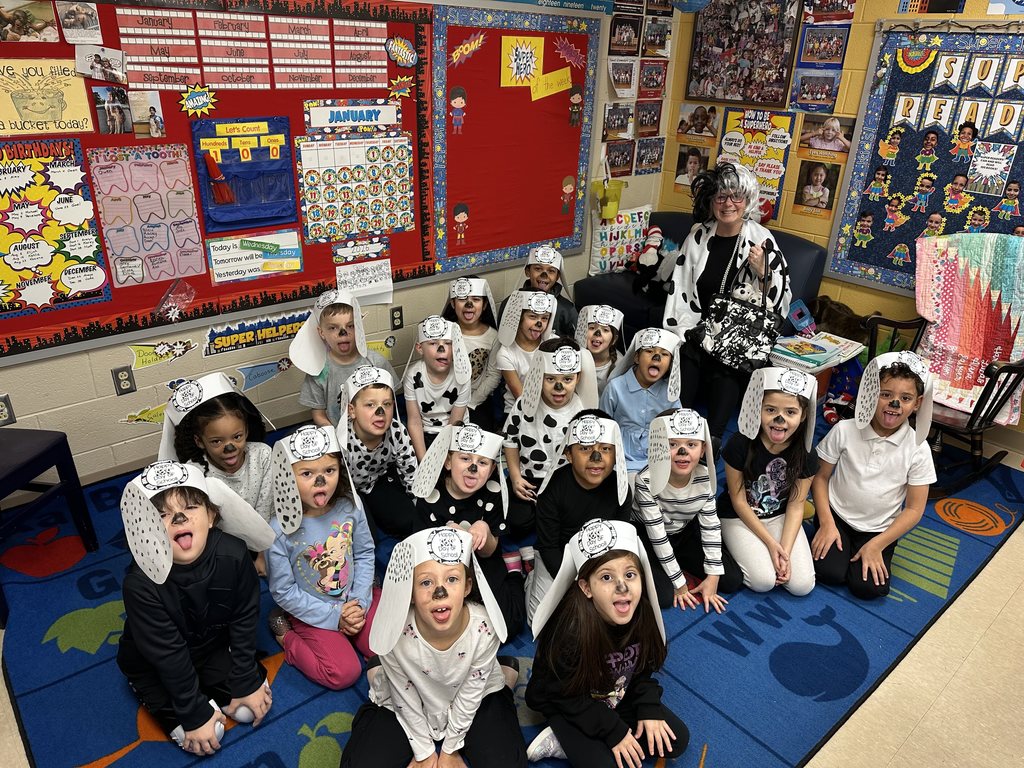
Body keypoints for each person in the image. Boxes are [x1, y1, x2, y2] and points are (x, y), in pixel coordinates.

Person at [116, 461, 275, 755]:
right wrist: (192, 713)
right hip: (154, 664)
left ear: (212, 516)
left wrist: (244, 679)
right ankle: (153, 689)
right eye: (162, 515)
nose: (179, 519)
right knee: (208, 734)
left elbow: (243, 617)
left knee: (246, 711)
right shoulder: (140, 584)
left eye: (190, 508)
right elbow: (169, 655)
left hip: (210, 646)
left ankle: (216, 684)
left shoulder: (234, 553)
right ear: (145, 531)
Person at [342, 527, 526, 768]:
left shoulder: (483, 630)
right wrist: (424, 751)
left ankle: (500, 675)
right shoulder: (396, 633)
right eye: (426, 582)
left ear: (467, 586)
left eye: (452, 579)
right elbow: (404, 696)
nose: (440, 592)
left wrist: (450, 748)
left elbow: (471, 694)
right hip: (409, 694)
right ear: (410, 592)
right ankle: (381, 670)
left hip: (471, 693)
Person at [525, 519, 689, 765]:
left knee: (676, 740)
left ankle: (582, 739)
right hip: (568, 703)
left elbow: (641, 671)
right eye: (606, 577)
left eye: (630, 575)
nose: (622, 587)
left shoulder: (641, 614)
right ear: (586, 587)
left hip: (613, 694)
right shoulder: (570, 633)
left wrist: (648, 707)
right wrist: (613, 731)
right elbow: (562, 695)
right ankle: (561, 736)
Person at [662, 163, 791, 442]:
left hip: (738, 334)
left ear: (747, 200)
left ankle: (714, 439)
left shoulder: (761, 239)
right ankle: (676, 431)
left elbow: (780, 299)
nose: (728, 204)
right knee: (689, 352)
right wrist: (688, 332)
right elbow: (680, 286)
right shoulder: (698, 235)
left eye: (736, 196)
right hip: (697, 327)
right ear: (711, 201)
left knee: (728, 365)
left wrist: (763, 273)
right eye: (720, 196)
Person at [811, 352, 936, 599]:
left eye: (905, 398)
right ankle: (835, 546)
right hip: (836, 516)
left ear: (918, 403)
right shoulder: (844, 430)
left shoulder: (918, 449)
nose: (894, 404)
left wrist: (878, 544)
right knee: (829, 573)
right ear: (871, 393)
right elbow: (820, 477)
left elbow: (913, 510)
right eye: (886, 394)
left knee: (869, 588)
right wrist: (826, 523)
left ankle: (864, 551)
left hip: (880, 529)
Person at [265, 426, 377, 690]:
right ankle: (285, 634)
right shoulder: (278, 531)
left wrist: (359, 602)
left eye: (329, 471)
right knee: (344, 673)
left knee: (384, 645)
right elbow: (283, 591)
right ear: (287, 479)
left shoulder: (350, 506)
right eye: (307, 474)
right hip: (310, 610)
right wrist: (335, 615)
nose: (321, 481)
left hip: (354, 597)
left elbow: (364, 553)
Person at [412, 424, 526, 637]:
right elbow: (420, 555)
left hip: (482, 561)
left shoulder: (494, 492)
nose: (473, 468)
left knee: (508, 626)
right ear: (448, 462)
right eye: (465, 459)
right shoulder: (429, 495)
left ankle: (514, 573)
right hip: (442, 569)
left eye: (482, 463)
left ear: (492, 469)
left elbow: (489, 551)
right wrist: (444, 536)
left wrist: (484, 530)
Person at [160, 372, 274, 575]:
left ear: (246, 430)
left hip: (265, 534)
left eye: (237, 437)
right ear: (199, 441)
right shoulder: (195, 472)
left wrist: (264, 554)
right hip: (220, 542)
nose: (230, 447)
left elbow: (268, 506)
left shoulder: (262, 455)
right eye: (216, 441)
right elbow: (200, 524)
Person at [719, 368, 818, 596]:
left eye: (790, 412)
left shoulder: (807, 451)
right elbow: (738, 499)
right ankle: (725, 542)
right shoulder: (740, 442)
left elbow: (796, 505)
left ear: (803, 416)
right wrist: (771, 544)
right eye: (770, 410)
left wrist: (785, 550)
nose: (779, 419)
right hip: (739, 515)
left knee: (802, 586)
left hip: (780, 515)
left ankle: (767, 550)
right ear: (759, 409)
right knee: (762, 581)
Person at [529, 411, 633, 623]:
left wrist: (600, 580)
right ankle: (530, 577)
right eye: (585, 449)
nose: (596, 458)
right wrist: (576, 582)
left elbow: (620, 545)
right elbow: (549, 547)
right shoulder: (551, 490)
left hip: (600, 559)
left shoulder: (621, 489)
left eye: (605, 449)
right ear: (568, 454)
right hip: (559, 557)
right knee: (541, 622)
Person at [634, 409, 738, 612]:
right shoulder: (645, 480)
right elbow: (657, 536)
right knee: (664, 596)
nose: (683, 452)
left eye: (691, 445)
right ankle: (667, 567)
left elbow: (710, 526)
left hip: (682, 534)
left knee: (731, 579)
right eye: (672, 445)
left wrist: (714, 574)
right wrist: (679, 583)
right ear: (658, 447)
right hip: (647, 537)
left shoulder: (706, 477)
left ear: (703, 449)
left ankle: (679, 562)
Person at [503, 338, 597, 538]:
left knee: (571, 520)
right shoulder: (524, 403)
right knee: (516, 520)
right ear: (539, 376)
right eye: (551, 379)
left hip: (565, 479)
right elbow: (510, 440)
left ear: (578, 377)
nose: (559, 387)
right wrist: (515, 477)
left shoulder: (582, 411)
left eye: (567, 379)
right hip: (530, 477)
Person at [291, 288, 398, 427]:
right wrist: (334, 439)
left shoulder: (376, 362)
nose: (343, 333)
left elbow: (390, 402)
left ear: (359, 326)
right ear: (321, 332)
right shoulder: (318, 371)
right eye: (333, 328)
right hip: (339, 439)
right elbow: (319, 414)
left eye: (351, 326)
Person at [337, 366, 419, 540]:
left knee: (408, 520)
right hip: (350, 491)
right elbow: (340, 488)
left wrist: (419, 507)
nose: (380, 412)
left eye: (386, 404)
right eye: (370, 405)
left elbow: (410, 472)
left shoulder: (396, 431)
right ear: (352, 411)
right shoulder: (343, 444)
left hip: (379, 480)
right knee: (363, 536)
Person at [600, 327, 682, 476]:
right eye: (649, 351)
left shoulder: (670, 395)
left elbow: (677, 431)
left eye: (664, 354)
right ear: (636, 357)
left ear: (670, 364)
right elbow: (603, 427)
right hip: (619, 459)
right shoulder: (615, 388)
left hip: (656, 460)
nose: (656, 357)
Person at [403, 316, 471, 459]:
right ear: (420, 348)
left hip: (456, 432)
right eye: (433, 343)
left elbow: (455, 422)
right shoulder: (412, 375)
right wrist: (424, 461)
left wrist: (444, 458)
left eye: (448, 343)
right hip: (426, 432)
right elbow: (414, 421)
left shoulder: (462, 376)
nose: (442, 349)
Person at [442, 276, 501, 428]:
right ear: (453, 304)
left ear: (485, 304)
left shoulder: (493, 336)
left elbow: (493, 375)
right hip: (443, 399)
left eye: (475, 299)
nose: (469, 304)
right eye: (462, 299)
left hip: (476, 401)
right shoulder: (444, 334)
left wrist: (471, 403)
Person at [495, 290, 555, 416]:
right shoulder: (506, 353)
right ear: (519, 318)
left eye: (544, 318)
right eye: (532, 316)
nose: (539, 323)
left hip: (552, 406)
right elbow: (522, 397)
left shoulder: (554, 343)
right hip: (518, 410)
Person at [498, 245, 578, 337]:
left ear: (557, 276)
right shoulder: (510, 303)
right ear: (527, 271)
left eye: (551, 271)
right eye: (538, 269)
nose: (544, 275)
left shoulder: (567, 309)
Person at [575, 304, 624, 395]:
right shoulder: (575, 356)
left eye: (605, 330)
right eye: (592, 328)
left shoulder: (619, 365)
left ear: (614, 339)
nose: (598, 333)